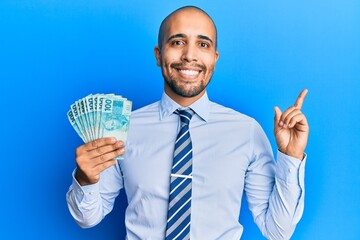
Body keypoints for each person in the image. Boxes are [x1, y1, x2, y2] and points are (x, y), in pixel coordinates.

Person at [66, 5, 309, 240]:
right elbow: (87, 218)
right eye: (177, 42)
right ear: (159, 55)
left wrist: (291, 157)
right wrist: (85, 179)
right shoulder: (122, 128)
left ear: (214, 59)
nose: (190, 55)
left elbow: (278, 232)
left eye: (203, 44)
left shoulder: (247, 131)